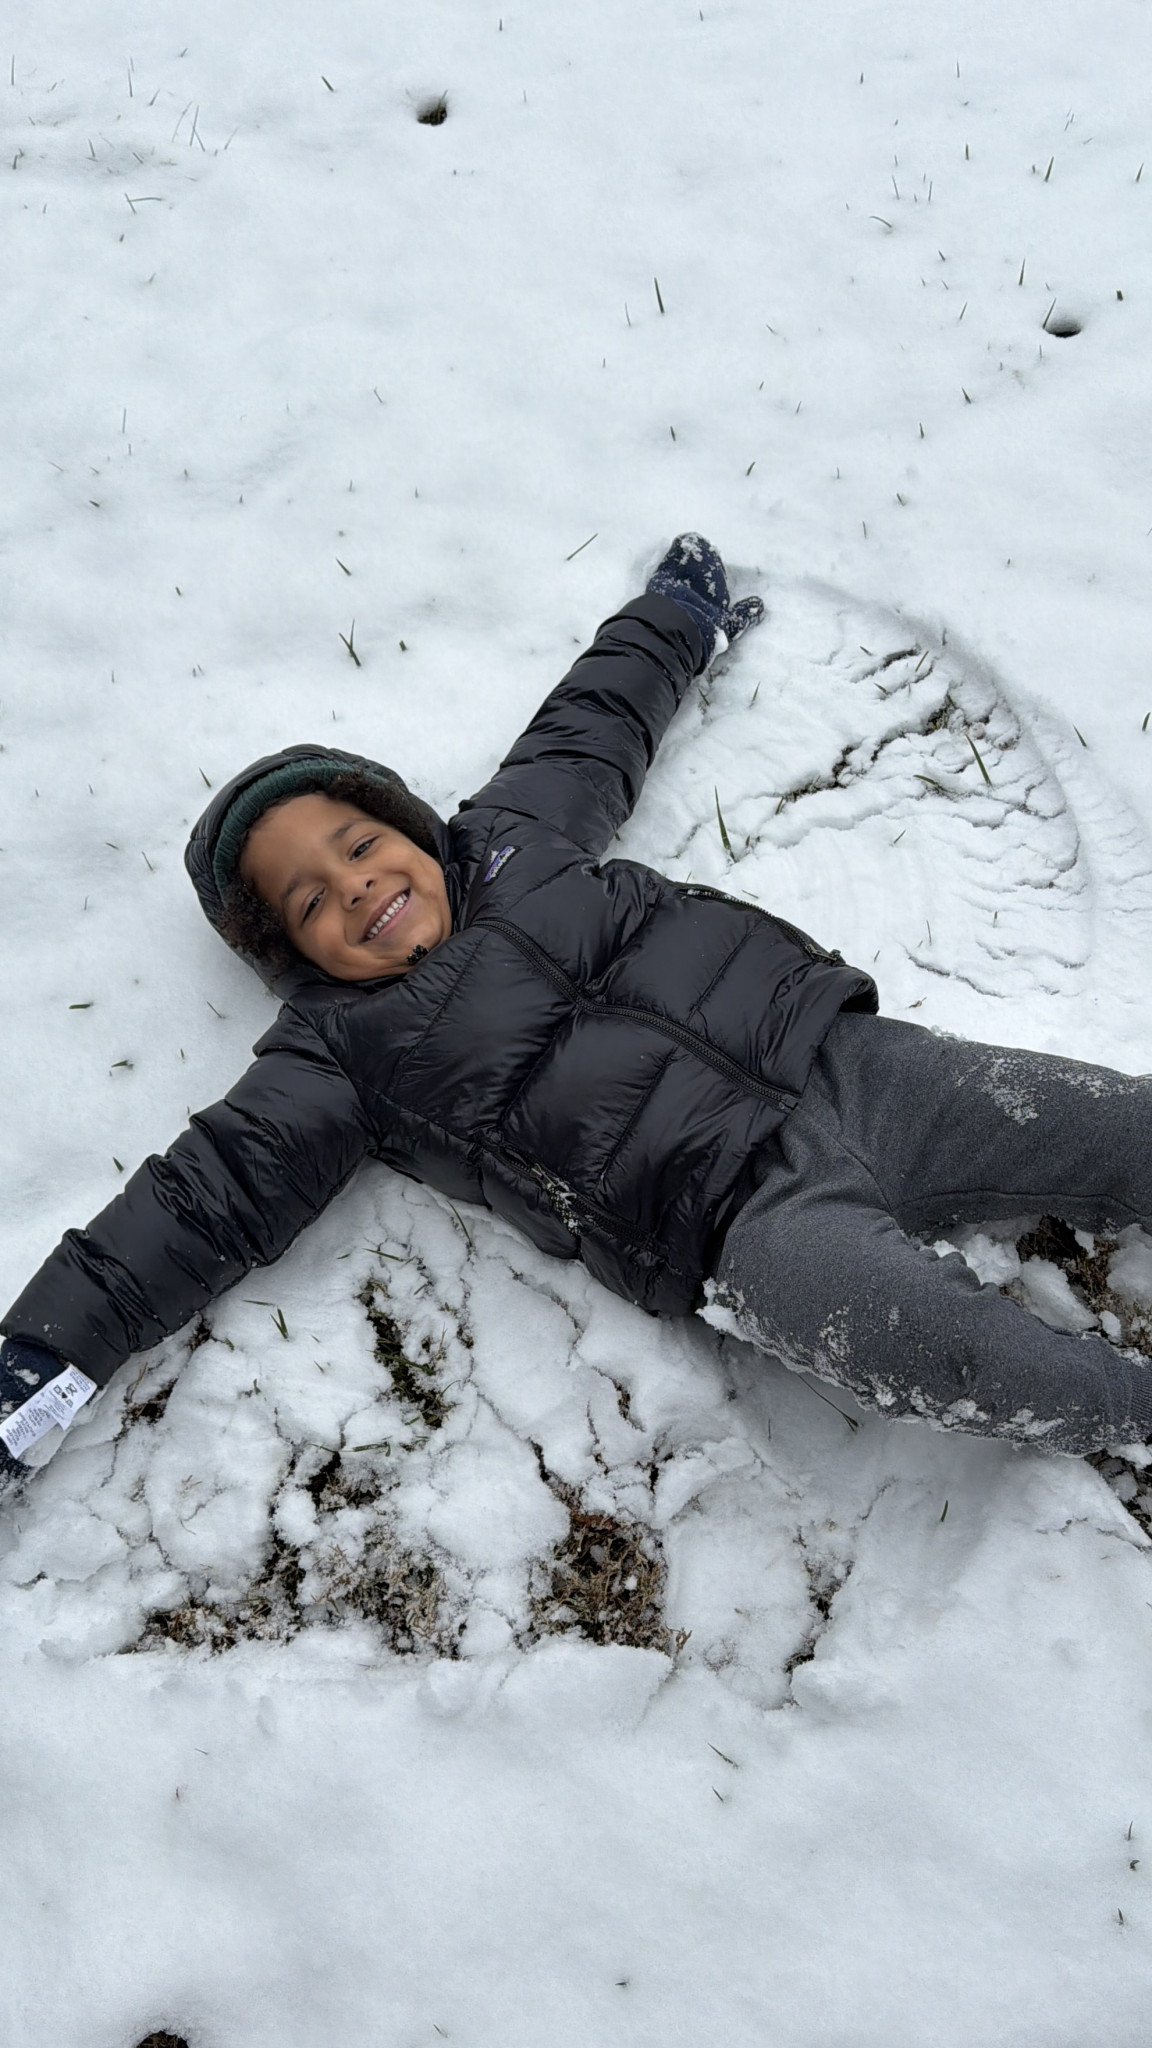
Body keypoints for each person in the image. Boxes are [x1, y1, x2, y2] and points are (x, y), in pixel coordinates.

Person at [3, 535, 1152, 1498]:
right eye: (310, 901)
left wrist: (674, 621)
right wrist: (36, 1366)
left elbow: (592, 722)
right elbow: (192, 1204)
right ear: (293, 954)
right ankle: (1129, 1405)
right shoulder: (337, 1054)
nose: (356, 886)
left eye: (358, 843)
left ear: (405, 823)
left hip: (851, 1065)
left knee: (1108, 1125)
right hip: (741, 1226)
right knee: (946, 1348)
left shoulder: (516, 833)